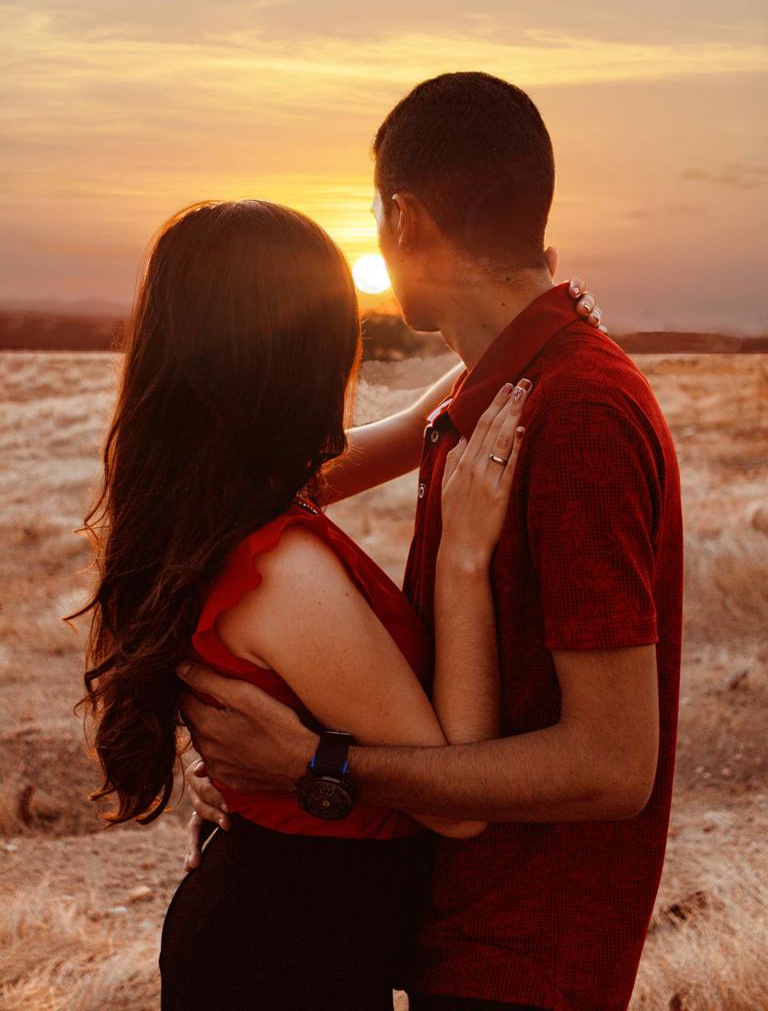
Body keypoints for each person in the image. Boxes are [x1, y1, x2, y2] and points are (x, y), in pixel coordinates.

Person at [180, 72, 684, 1011]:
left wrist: (313, 767)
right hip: (455, 931)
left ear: (404, 220)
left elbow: (617, 766)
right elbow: (250, 491)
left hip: (527, 957)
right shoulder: (505, 387)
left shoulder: (578, 415)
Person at [72, 195, 597, 1010]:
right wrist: (462, 560)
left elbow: (411, 427)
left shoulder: (208, 502)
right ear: (298, 355)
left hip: (277, 939)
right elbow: (454, 806)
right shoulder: (283, 571)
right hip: (284, 963)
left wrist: (525, 327)